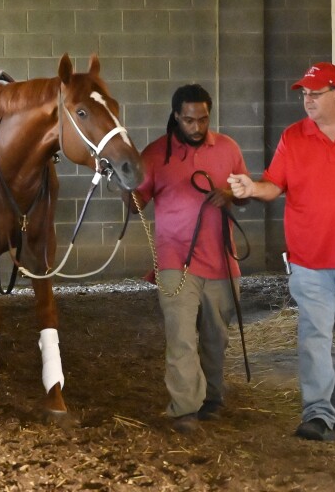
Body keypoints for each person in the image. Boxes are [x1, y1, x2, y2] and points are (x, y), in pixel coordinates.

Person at [228, 62, 335, 442]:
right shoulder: (294, 137)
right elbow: (274, 185)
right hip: (310, 256)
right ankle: (317, 412)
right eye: (304, 94)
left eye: (315, 93)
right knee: (314, 334)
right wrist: (250, 188)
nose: (307, 100)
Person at [135, 84, 250, 434]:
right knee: (181, 336)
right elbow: (136, 203)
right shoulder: (155, 154)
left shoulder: (228, 148)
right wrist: (123, 182)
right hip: (174, 262)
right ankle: (185, 407)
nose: (197, 127)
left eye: (202, 119)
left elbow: (246, 194)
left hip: (222, 260)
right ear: (175, 117)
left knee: (216, 336)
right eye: (188, 120)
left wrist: (231, 193)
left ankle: (212, 398)